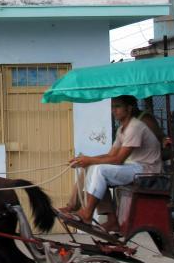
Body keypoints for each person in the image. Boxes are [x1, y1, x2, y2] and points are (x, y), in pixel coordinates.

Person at [61, 95, 162, 232]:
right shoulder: (122, 130)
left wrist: (89, 160)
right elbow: (111, 155)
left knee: (100, 170)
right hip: (136, 167)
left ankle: (86, 213)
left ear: (129, 109)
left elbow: (118, 159)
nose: (114, 110)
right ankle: (111, 220)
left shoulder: (135, 127)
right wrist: (84, 160)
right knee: (92, 168)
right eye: (112, 107)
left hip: (147, 171)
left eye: (118, 107)